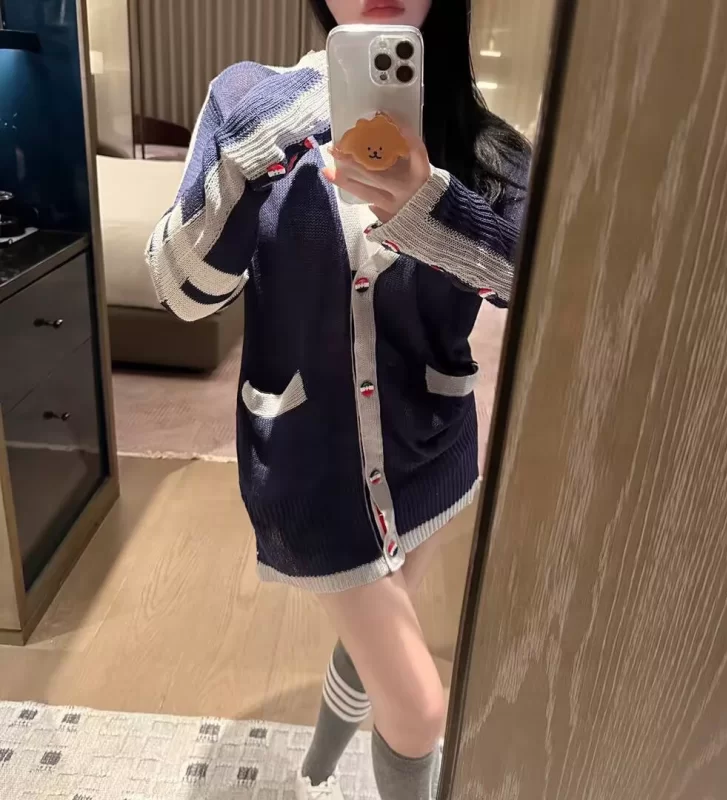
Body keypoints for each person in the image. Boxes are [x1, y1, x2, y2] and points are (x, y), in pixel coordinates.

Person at [146, 1, 530, 797]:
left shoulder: (487, 146)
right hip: (312, 465)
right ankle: (338, 763)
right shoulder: (249, 102)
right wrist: (244, 162)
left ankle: (318, 765)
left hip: (432, 444)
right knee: (418, 709)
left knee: (372, 648)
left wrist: (426, 204)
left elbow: (527, 282)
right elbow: (180, 291)